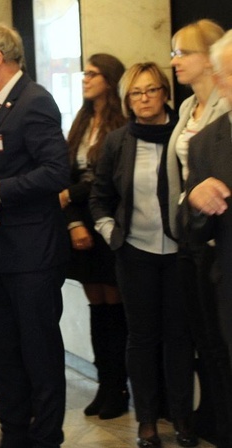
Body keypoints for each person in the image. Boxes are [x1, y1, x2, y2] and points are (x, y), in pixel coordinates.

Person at [0, 22, 70, 447]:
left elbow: (55, 171)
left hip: (32, 255)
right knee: (5, 354)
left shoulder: (35, 101)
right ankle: (13, 435)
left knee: (39, 355)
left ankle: (46, 439)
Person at [89, 62, 197, 448]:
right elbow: (99, 197)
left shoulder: (184, 135)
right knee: (141, 339)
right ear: (127, 100)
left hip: (180, 255)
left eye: (151, 90)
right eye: (136, 93)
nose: (144, 99)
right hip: (134, 254)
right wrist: (111, 234)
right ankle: (147, 420)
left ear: (165, 93)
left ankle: (183, 417)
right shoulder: (118, 141)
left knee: (179, 338)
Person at [166, 19, 232, 447]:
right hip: (216, 263)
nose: (223, 79)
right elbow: (192, 204)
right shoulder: (208, 137)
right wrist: (194, 198)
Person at [59, 54, 128, 419]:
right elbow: (65, 176)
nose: (85, 78)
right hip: (81, 226)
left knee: (115, 307)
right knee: (97, 305)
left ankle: (117, 387)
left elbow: (109, 178)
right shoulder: (82, 121)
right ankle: (105, 383)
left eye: (93, 73)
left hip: (109, 222)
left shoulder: (122, 122)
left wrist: (74, 196)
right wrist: (73, 220)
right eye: (84, 72)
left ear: (110, 80)